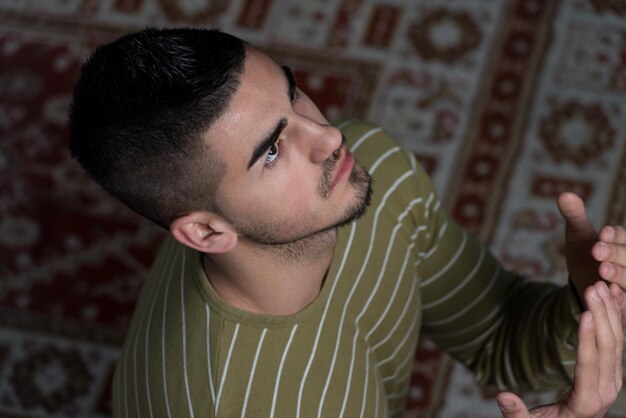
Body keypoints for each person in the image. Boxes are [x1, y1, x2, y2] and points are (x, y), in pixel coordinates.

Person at [68, 27, 625, 417]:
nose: (330, 137)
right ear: (208, 233)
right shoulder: (229, 405)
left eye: (294, 98)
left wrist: (587, 298)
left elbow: (496, 335)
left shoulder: (370, 168)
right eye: (271, 152)